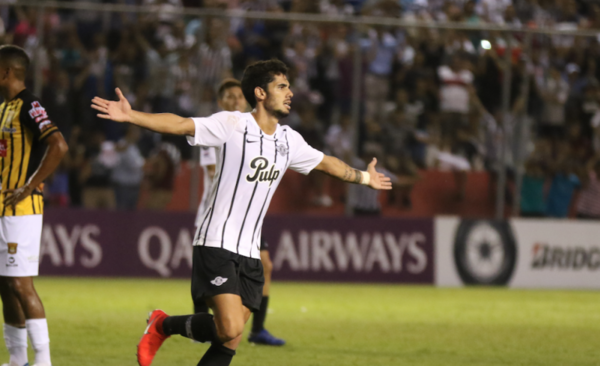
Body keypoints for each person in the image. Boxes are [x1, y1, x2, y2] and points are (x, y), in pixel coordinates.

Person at [91, 59, 391, 366]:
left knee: (230, 338)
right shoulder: (233, 124)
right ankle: (161, 325)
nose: (290, 93)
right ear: (260, 93)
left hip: (250, 251)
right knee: (230, 326)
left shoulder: (289, 140)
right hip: (216, 242)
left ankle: (164, 326)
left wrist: (366, 178)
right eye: (282, 86)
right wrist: (132, 116)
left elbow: (329, 163)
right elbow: (181, 123)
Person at [193, 78, 285, 346]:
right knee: (210, 283)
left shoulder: (259, 131)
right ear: (221, 103)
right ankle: (199, 325)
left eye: (238, 97)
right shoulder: (220, 129)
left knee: (265, 265)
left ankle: (256, 330)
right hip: (219, 215)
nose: (235, 101)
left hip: (247, 219)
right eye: (229, 97)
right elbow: (215, 172)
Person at [0, 45, 69, 366]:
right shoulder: (5, 108)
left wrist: (30, 184)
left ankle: (43, 361)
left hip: (21, 210)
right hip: (3, 207)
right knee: (5, 284)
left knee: (20, 283)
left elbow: (58, 144)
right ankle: (17, 360)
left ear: (6, 72)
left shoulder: (30, 105)